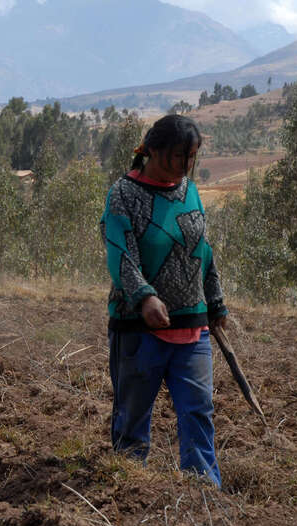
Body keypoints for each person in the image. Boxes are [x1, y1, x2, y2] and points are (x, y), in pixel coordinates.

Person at [99, 114, 228, 488]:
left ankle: (202, 489)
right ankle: (129, 488)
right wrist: (144, 298)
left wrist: (215, 301)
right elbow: (119, 254)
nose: (185, 167)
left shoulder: (188, 190)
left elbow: (201, 248)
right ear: (152, 151)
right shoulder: (123, 194)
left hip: (192, 326)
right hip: (138, 330)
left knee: (198, 411)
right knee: (133, 417)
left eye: (191, 158)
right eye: (178, 157)